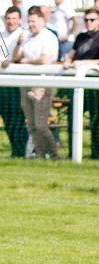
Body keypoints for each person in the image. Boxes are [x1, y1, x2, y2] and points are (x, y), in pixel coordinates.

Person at [8, 6, 58, 159]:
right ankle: (41, 156)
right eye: (29, 21)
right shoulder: (27, 37)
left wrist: (26, 61)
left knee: (41, 125)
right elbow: (16, 57)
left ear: (42, 20)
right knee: (32, 126)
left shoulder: (49, 37)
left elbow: (45, 60)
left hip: (42, 85)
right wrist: (18, 43)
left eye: (33, 21)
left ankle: (54, 155)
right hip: (26, 83)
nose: (31, 24)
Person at [0, 6, 28, 158]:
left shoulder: (24, 35)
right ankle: (15, 150)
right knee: (7, 118)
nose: (11, 21)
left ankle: (22, 151)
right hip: (0, 83)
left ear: (19, 20)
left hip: (17, 83)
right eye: (9, 18)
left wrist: (11, 62)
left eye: (14, 18)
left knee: (18, 118)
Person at [63, 8, 99, 158]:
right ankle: (73, 153)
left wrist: (83, 63)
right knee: (72, 118)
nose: (89, 23)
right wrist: (68, 62)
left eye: (92, 20)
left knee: (96, 122)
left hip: (94, 86)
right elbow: (71, 56)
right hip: (78, 84)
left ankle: (96, 154)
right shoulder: (80, 37)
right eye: (86, 20)